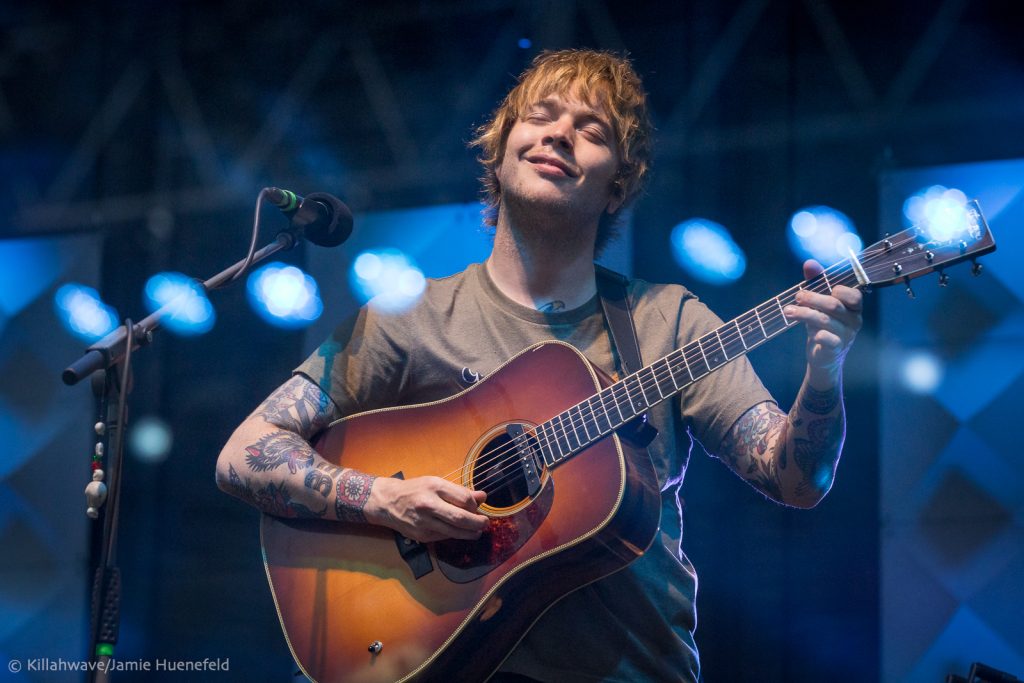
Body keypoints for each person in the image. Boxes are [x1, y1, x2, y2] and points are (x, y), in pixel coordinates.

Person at [216, 49, 862, 682]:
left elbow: (797, 479)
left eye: (593, 130)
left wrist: (824, 374)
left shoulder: (671, 320)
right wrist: (385, 497)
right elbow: (244, 453)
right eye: (541, 115)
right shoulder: (408, 317)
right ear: (497, 153)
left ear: (618, 185)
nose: (560, 133)